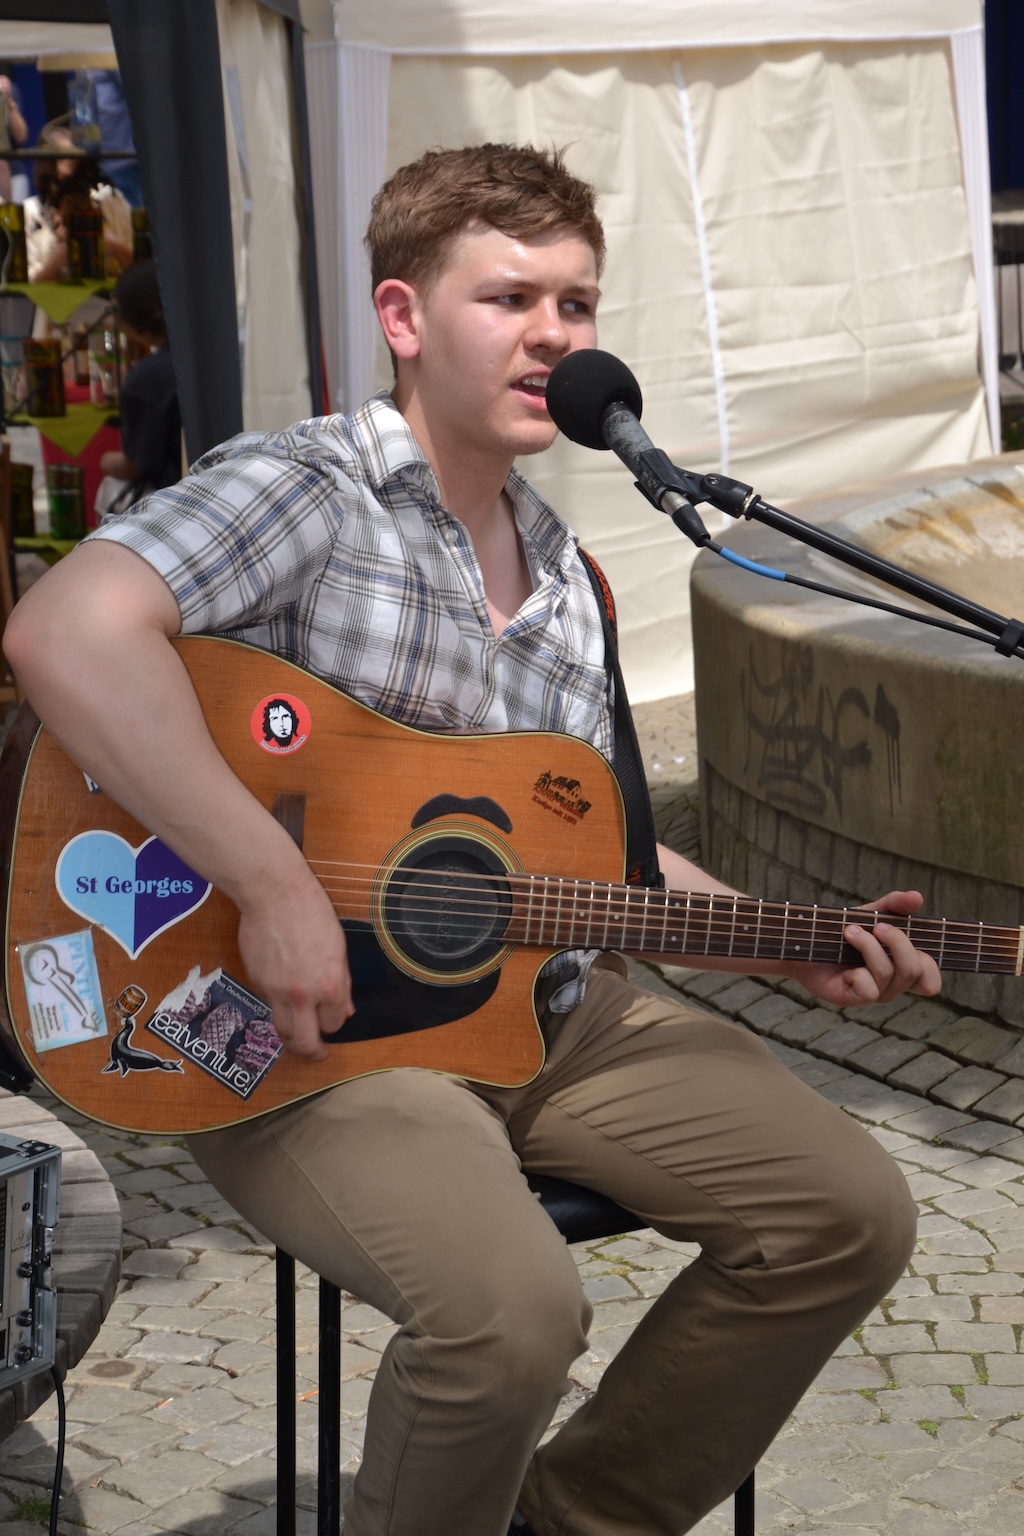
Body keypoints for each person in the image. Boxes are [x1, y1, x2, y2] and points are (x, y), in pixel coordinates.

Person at [3, 144, 940, 1536]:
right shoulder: (308, 490)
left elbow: (598, 862)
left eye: (576, 303)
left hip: (542, 1012)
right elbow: (65, 630)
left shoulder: (570, 577)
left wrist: (782, 944)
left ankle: (567, 1518)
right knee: (511, 1316)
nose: (552, 334)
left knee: (849, 1211)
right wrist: (270, 881)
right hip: (300, 1033)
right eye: (509, 298)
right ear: (403, 316)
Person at [98, 259, 181, 508]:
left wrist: (104, 460)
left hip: (179, 495)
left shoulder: (149, 377)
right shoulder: (220, 353)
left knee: (110, 487)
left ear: (132, 324)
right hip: (240, 477)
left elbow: (134, 466)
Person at [25, 119, 132, 283]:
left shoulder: (110, 200)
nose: (72, 164)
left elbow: (139, 263)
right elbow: (24, 281)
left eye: (76, 158)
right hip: (54, 297)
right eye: (63, 158)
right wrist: (56, 263)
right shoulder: (30, 211)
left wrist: (112, 247)